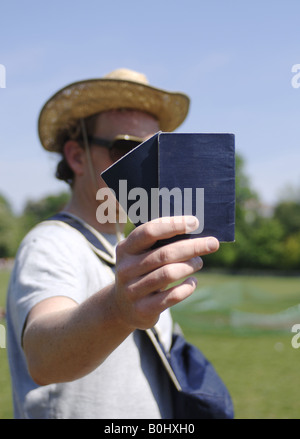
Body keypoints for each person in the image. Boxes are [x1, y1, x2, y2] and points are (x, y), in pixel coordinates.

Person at [6, 68, 221, 419]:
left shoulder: (131, 247)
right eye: (126, 148)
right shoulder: (50, 243)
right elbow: (44, 357)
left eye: (153, 152)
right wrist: (118, 309)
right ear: (77, 157)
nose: (144, 167)